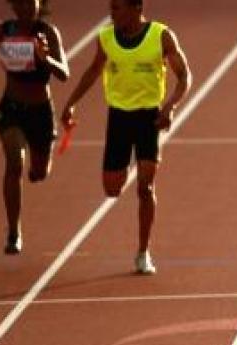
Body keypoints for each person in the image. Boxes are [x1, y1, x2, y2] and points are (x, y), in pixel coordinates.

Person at [60, 0, 191, 274]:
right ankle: (125, 171)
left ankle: (143, 253)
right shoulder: (106, 38)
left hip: (149, 118)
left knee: (145, 187)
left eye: (117, 8)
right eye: (111, 8)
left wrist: (170, 107)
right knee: (112, 189)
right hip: (118, 118)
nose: (112, 14)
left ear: (136, 8)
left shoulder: (161, 35)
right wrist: (71, 102)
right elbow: (94, 70)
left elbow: (184, 76)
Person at [0, 0, 69, 254]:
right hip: (12, 108)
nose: (26, 8)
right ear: (14, 6)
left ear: (38, 5)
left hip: (41, 112)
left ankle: (37, 169)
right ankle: (14, 232)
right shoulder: (4, 30)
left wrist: (46, 59)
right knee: (14, 163)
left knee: (40, 172)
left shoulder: (48, 33)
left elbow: (64, 73)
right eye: (21, 3)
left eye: (31, 3)